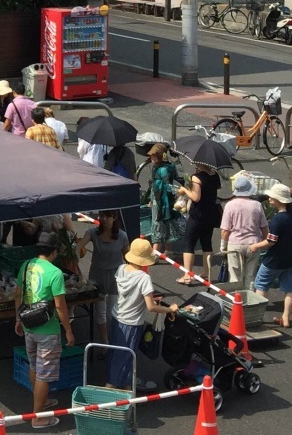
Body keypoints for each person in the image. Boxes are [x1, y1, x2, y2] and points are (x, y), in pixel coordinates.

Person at [14, 232, 76, 428]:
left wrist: (17, 318)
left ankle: (41, 402)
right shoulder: (55, 273)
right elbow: (60, 306)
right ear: (54, 251)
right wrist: (68, 329)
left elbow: (17, 294)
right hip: (47, 328)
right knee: (44, 373)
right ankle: (38, 416)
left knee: (34, 366)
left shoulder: (26, 265)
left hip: (28, 323)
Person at [109, 238, 177, 391]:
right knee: (124, 359)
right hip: (131, 323)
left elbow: (131, 292)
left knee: (118, 356)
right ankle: (105, 398)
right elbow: (151, 307)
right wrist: (170, 309)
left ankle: (128, 386)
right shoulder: (144, 278)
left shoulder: (121, 268)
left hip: (117, 317)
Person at [250, 183, 292, 328]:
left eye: (272, 197)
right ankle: (285, 318)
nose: (269, 199)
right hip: (291, 259)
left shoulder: (278, 219)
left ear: (279, 199)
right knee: (289, 289)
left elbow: (270, 241)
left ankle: (257, 317)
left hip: (273, 260)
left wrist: (255, 245)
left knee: (261, 285)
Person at [83, 211, 128, 345]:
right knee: (100, 311)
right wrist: (76, 249)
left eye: (108, 216)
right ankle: (105, 342)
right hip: (97, 275)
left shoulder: (122, 236)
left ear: (114, 218)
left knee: (112, 311)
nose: (104, 219)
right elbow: (81, 244)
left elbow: (128, 258)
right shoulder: (93, 232)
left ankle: (114, 340)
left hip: (115, 275)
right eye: (102, 216)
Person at [219, 174, 268, 290]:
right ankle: (249, 299)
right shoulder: (257, 205)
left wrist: (223, 246)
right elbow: (264, 227)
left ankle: (237, 301)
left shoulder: (230, 205)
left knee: (235, 276)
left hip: (234, 244)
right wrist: (267, 242)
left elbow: (225, 230)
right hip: (253, 243)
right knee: (250, 275)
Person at [177, 162, 221, 285]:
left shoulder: (197, 178)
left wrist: (185, 189)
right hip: (211, 213)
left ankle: (187, 275)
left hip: (198, 214)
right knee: (206, 243)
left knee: (189, 244)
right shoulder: (214, 174)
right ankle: (207, 273)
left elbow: (196, 197)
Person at [146, 143, 184, 253]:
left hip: (161, 202)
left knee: (157, 225)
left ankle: (155, 254)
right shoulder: (157, 167)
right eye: (151, 155)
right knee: (165, 225)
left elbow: (168, 187)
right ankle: (169, 251)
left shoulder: (163, 170)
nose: (152, 157)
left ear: (160, 155)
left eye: (154, 155)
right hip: (158, 199)